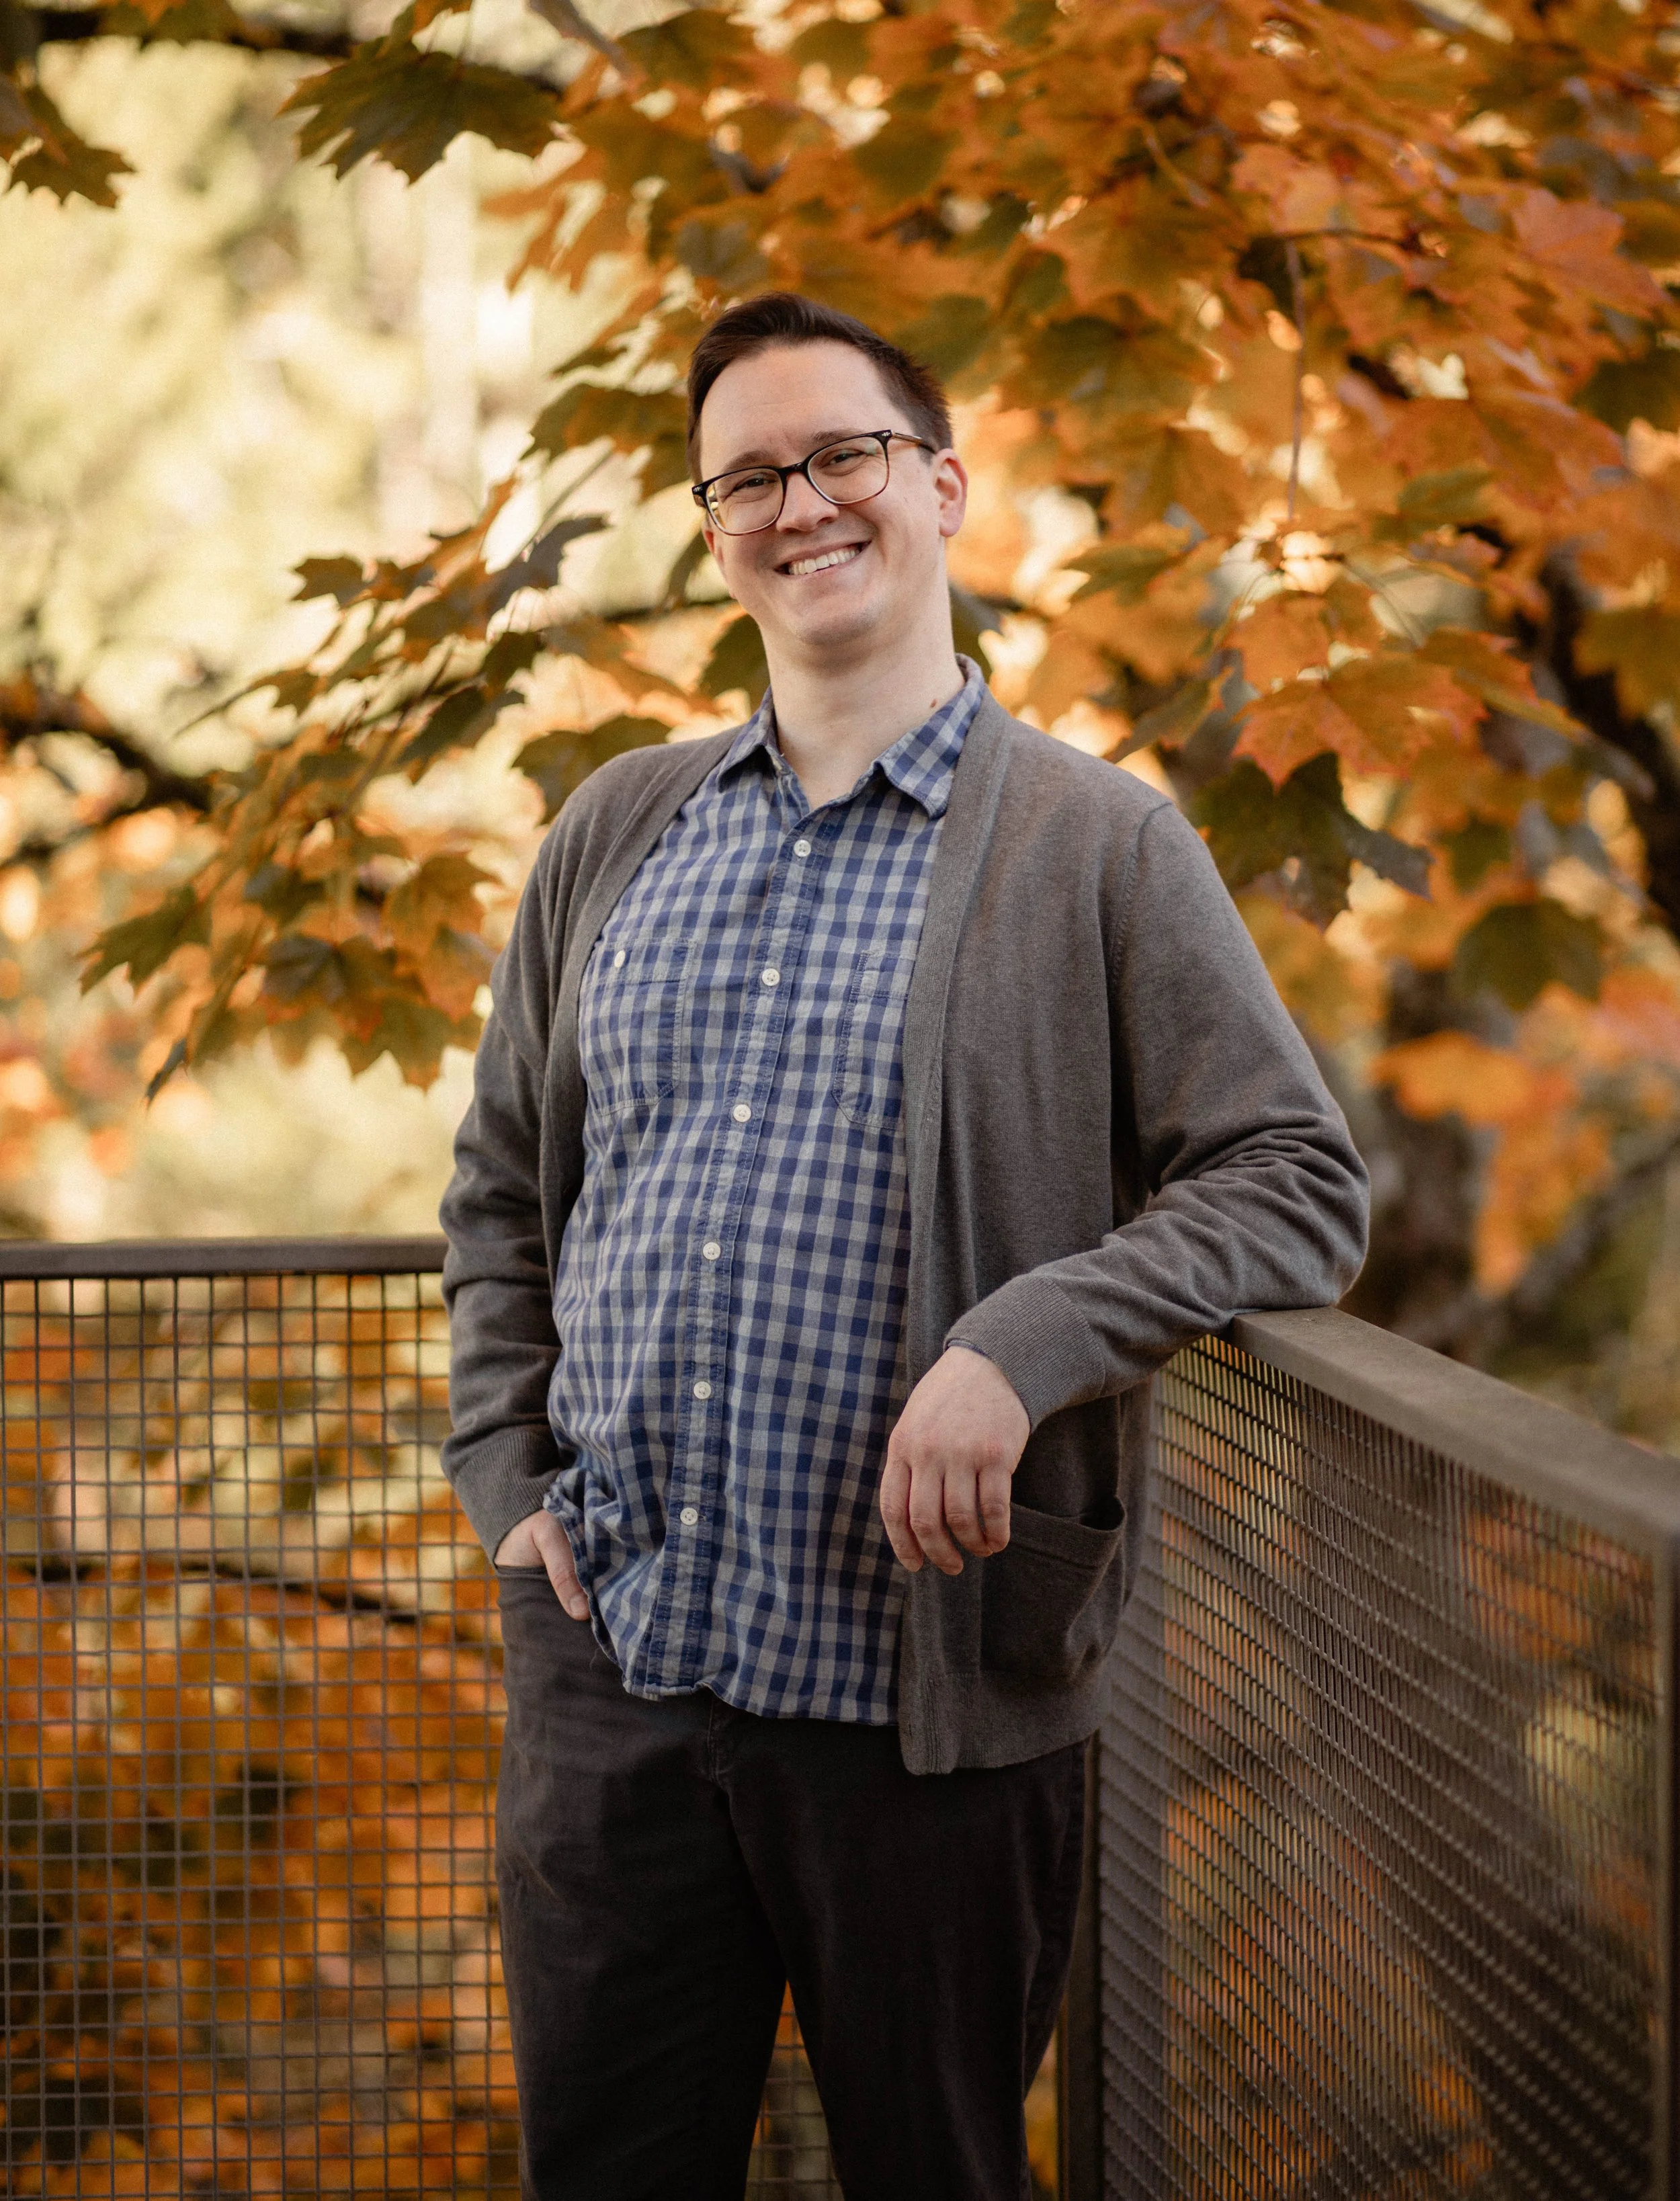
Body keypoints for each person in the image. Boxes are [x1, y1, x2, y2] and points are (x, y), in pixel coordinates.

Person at [439, 290, 1369, 2200]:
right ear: (716, 536)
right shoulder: (614, 830)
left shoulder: (1098, 849)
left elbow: (1292, 1179)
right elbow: (498, 1189)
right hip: (617, 1671)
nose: (800, 505)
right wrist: (503, 1484)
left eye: (840, 454)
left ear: (940, 486)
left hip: (923, 1706)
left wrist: (1017, 1342)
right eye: (746, 478)